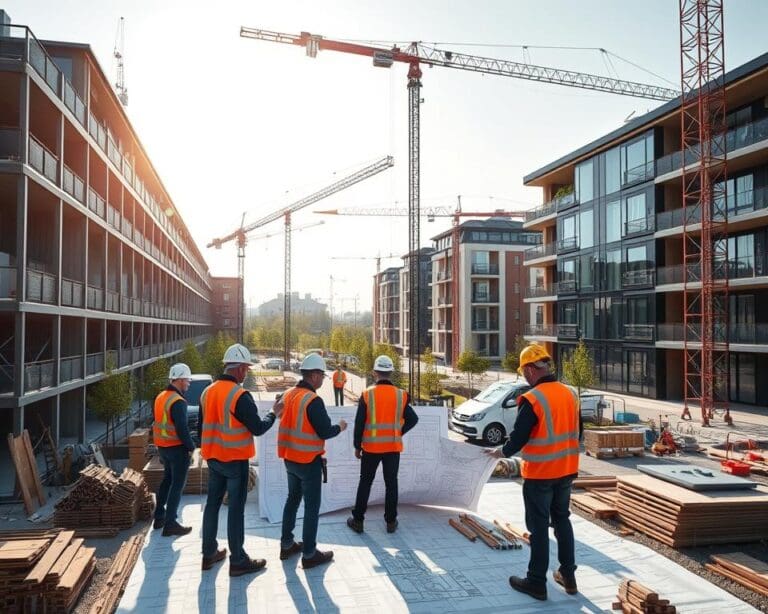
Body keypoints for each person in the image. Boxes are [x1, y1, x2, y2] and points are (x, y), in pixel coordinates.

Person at [484, 344, 582, 601]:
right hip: (567, 470)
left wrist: (501, 452)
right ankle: (568, 576)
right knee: (562, 520)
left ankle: (537, 581)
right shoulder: (570, 394)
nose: (524, 377)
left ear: (530, 369)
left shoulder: (533, 398)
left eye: (524, 372)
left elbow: (518, 438)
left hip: (540, 474)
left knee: (538, 528)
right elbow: (577, 432)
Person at [200, 343, 281, 577]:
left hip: (213, 458)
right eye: (245, 368)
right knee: (236, 510)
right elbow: (258, 428)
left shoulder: (208, 392)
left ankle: (209, 553)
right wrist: (273, 413)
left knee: (213, 505)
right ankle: (238, 560)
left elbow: (202, 425)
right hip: (235, 461)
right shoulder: (239, 395)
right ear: (238, 369)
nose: (246, 373)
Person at [278, 353, 347, 569]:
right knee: (311, 507)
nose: (323, 381)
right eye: (323, 376)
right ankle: (309, 554)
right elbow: (325, 431)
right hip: (308, 461)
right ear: (315, 376)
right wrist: (340, 427)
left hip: (289, 458)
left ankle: (287, 544)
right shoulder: (313, 400)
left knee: (292, 500)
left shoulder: (289, 394)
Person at [347, 354, 418, 534]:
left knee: (365, 482)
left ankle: (358, 520)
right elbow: (413, 419)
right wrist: (397, 432)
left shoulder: (367, 394)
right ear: (391, 373)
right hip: (392, 448)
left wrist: (357, 446)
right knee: (391, 483)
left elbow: (359, 422)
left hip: (370, 448)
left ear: (374, 373)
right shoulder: (401, 395)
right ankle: (391, 521)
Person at [152, 363, 196, 536]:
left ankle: (159, 517)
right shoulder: (178, 401)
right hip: (176, 449)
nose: (189, 383)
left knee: (167, 481)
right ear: (179, 379)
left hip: (163, 447)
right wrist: (192, 447)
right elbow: (182, 429)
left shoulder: (161, 396)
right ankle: (170, 523)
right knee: (177, 485)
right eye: (187, 380)